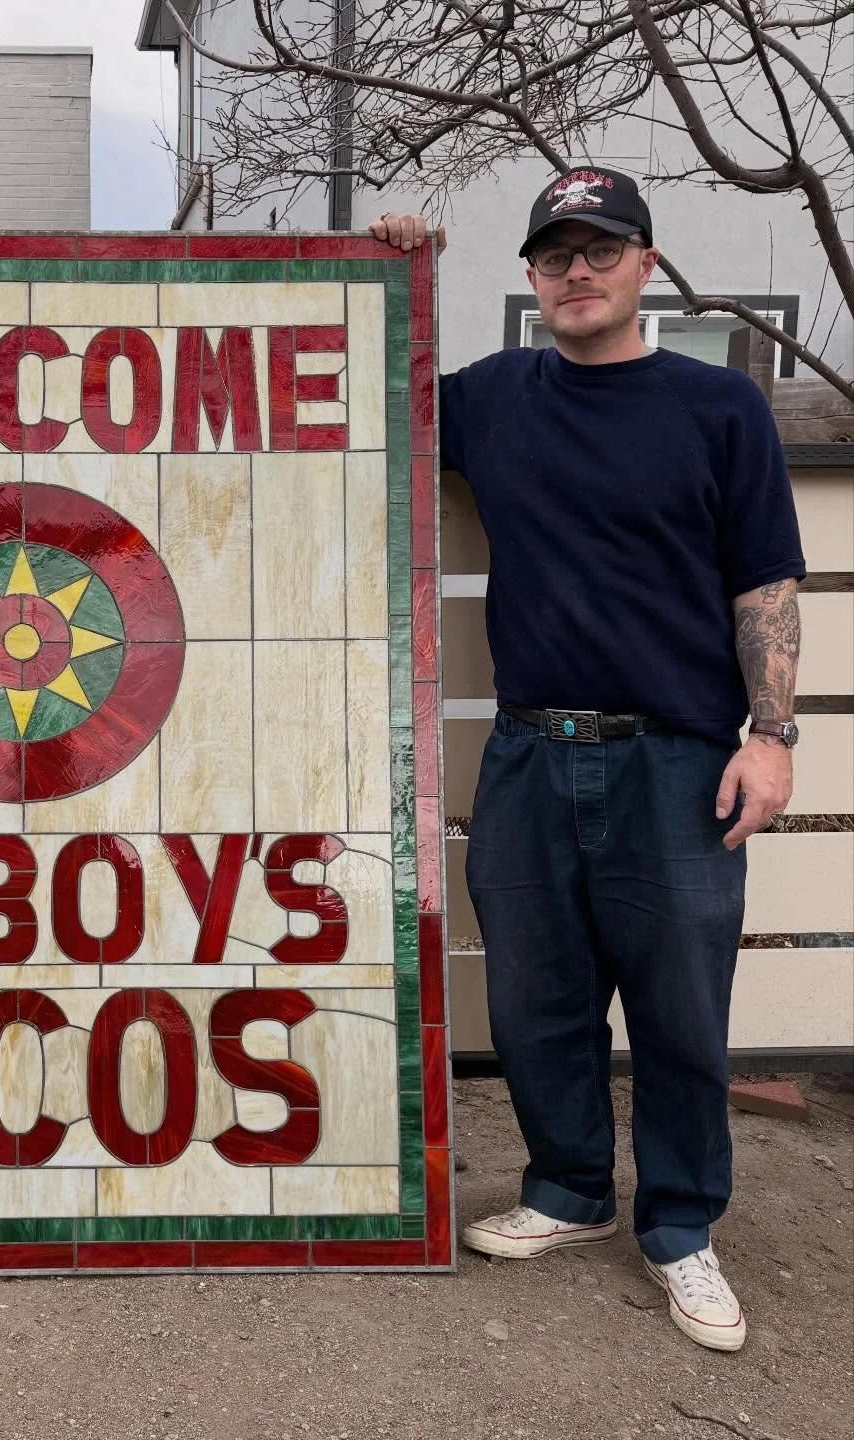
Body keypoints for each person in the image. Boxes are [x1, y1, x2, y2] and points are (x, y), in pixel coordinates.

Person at [372, 167, 804, 1354]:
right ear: (529, 273)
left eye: (601, 249)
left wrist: (771, 737)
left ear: (645, 266)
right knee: (534, 1001)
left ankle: (679, 1228)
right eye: (555, 251)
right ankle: (566, 1190)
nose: (578, 269)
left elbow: (764, 579)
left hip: (673, 763)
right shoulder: (495, 397)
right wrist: (395, 261)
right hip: (524, 754)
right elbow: (365, 386)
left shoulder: (719, 410)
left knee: (678, 1009)